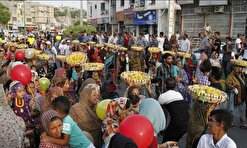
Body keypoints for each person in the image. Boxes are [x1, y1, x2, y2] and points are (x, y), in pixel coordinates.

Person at [69, 83, 101, 147]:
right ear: (87, 96)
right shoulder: (75, 109)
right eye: (94, 95)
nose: (97, 97)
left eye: (98, 95)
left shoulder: (99, 107)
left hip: (97, 141)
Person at [158, 78, 189, 142]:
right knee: (173, 141)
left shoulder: (162, 96)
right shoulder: (179, 94)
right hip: (187, 122)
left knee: (166, 142)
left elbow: (156, 106)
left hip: (177, 124)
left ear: (165, 86)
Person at [226, 60, 247, 129]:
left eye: (242, 68)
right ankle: (230, 122)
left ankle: (243, 123)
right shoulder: (231, 76)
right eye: (239, 68)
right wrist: (233, 88)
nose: (241, 70)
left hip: (242, 96)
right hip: (234, 96)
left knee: (243, 109)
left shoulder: (242, 75)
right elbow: (227, 83)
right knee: (231, 109)